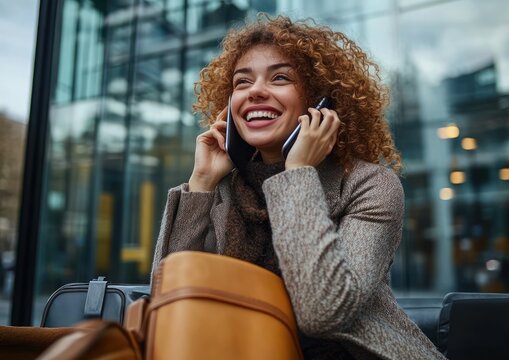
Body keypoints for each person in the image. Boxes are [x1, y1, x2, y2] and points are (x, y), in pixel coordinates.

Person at [152, 14, 445, 360]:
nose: (256, 91)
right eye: (242, 83)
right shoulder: (223, 189)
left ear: (319, 102)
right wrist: (200, 184)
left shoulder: (369, 185)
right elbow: (166, 300)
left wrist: (297, 173)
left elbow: (323, 312)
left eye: (280, 78)